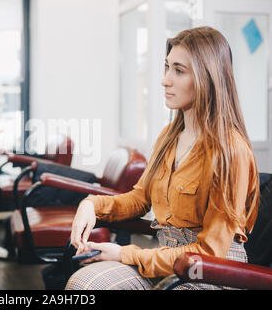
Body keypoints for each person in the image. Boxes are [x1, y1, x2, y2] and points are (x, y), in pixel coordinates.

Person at [67, 26, 260, 290]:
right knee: (84, 284)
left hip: (211, 272)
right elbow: (140, 198)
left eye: (179, 71)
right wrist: (91, 205)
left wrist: (125, 253)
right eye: (167, 67)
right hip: (165, 261)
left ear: (208, 78)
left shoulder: (231, 150)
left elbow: (209, 251)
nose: (165, 79)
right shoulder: (168, 136)